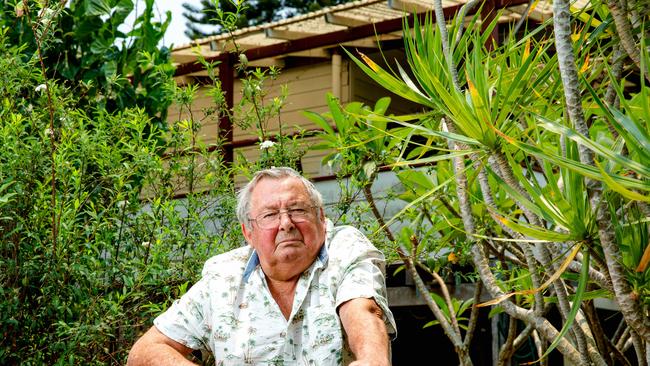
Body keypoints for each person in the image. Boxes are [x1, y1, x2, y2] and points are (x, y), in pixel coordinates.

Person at [127, 167, 396, 365]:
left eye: (298, 210)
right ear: (248, 233)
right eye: (270, 215)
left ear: (321, 218)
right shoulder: (223, 275)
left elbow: (363, 310)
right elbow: (145, 351)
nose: (286, 223)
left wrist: (372, 360)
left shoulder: (346, 248)